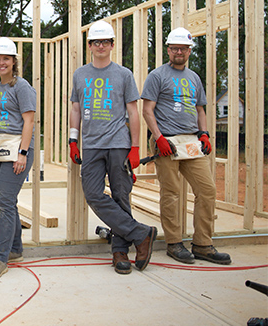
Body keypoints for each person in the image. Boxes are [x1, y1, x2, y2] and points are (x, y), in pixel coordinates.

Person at [69, 20, 157, 275]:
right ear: (90, 46)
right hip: (92, 144)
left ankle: (120, 251)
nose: (100, 46)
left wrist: (136, 147)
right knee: (93, 193)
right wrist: (73, 140)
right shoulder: (80, 74)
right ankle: (140, 233)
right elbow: (76, 108)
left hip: (119, 143)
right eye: (96, 42)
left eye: (105, 42)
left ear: (112, 45)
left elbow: (133, 110)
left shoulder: (123, 74)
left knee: (121, 195)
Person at [141, 27, 231, 265]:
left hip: (191, 142)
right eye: (174, 48)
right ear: (168, 49)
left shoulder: (193, 78)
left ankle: (203, 244)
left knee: (207, 190)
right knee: (171, 193)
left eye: (182, 48)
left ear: (189, 50)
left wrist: (204, 134)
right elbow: (147, 110)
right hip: (167, 141)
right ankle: (174, 243)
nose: (178, 52)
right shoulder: (157, 76)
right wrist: (158, 138)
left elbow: (199, 109)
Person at [0, 37, 36, 280]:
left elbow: (29, 121)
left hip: (16, 149)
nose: (2, 63)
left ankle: (0, 258)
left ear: (14, 62)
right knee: (6, 201)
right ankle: (15, 249)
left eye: (6, 59)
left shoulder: (21, 87)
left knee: (4, 202)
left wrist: (22, 154)